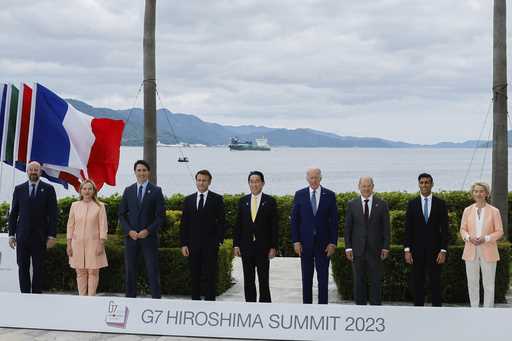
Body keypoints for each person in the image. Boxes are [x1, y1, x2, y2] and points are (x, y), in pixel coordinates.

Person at [8, 161, 58, 294]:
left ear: (40, 172)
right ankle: (24, 294)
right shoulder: (19, 189)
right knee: (22, 266)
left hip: (40, 236)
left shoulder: (48, 189)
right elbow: (13, 214)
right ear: (27, 172)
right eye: (31, 170)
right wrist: (11, 235)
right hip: (22, 236)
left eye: (36, 170)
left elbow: (53, 214)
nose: (34, 172)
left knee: (38, 267)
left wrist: (52, 235)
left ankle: (36, 294)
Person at [291, 168, 339, 304]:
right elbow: (295, 220)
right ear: (307, 179)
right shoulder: (299, 194)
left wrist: (333, 243)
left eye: (316, 177)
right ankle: (307, 308)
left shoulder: (329, 195)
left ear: (320, 178)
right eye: (311, 178)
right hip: (305, 244)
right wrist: (296, 241)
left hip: (324, 245)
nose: (314, 180)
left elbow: (334, 222)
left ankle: (322, 308)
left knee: (323, 279)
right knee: (306, 278)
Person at [118, 160, 165, 299]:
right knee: (130, 271)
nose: (141, 173)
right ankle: (130, 299)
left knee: (152, 271)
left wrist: (148, 231)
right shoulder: (128, 190)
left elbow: (160, 216)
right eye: (139, 170)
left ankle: (156, 300)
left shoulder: (156, 191)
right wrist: (129, 231)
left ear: (148, 172)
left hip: (149, 238)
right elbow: (121, 214)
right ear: (135, 172)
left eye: (144, 170)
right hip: (131, 238)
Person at [404, 173, 449, 306]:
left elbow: (445, 229)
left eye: (427, 182)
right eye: (422, 182)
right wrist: (407, 250)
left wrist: (443, 250)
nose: (424, 185)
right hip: (416, 251)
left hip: (436, 251)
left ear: (432, 184)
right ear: (419, 184)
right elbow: (408, 229)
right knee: (417, 282)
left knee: (435, 282)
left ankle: (436, 310)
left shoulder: (440, 203)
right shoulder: (412, 204)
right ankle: (418, 311)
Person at [180, 169, 226, 301]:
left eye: (204, 180)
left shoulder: (217, 199)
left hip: (210, 246)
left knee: (210, 276)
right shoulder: (188, 200)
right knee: (194, 275)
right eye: (199, 180)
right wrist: (183, 244)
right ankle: (195, 302)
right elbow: (184, 224)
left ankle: (210, 303)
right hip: (192, 245)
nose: (201, 183)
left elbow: (222, 222)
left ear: (209, 182)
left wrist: (218, 241)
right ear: (196, 181)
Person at [234, 171, 278, 303]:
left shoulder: (270, 201)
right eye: (251, 181)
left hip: (263, 248)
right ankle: (250, 307)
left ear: (263, 183)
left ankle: (265, 307)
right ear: (249, 183)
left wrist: (273, 247)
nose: (254, 184)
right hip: (246, 247)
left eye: (257, 181)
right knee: (248, 279)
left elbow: (274, 226)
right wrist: (236, 245)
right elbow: (238, 225)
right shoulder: (243, 201)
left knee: (263, 280)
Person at [344, 176, 390, 305]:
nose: (366, 188)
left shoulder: (381, 204)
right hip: (357, 251)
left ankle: (375, 310)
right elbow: (348, 228)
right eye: (363, 186)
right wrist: (348, 247)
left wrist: (386, 247)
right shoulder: (352, 204)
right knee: (359, 282)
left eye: (368, 186)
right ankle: (360, 310)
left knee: (375, 282)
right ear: (359, 187)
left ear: (373, 186)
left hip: (375, 250)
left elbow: (386, 228)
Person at [460, 182, 503, 308]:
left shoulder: (494, 211)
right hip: (470, 251)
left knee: (488, 283)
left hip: (489, 251)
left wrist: (486, 238)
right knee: (472, 283)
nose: (479, 194)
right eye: (476, 191)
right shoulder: (467, 210)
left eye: (481, 191)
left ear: (486, 193)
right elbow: (462, 229)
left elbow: (500, 231)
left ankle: (488, 310)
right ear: (472, 193)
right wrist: (468, 237)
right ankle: (474, 310)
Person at [66, 179, 108, 296]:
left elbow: (103, 226)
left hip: (94, 244)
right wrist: (69, 245)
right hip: (77, 244)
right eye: (84, 189)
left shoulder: (100, 206)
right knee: (80, 272)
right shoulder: (74, 206)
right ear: (80, 191)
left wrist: (101, 244)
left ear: (94, 191)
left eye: (90, 189)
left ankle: (91, 298)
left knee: (93, 271)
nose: (87, 191)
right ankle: (82, 298)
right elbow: (70, 226)